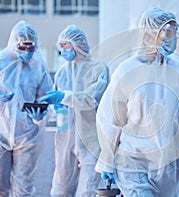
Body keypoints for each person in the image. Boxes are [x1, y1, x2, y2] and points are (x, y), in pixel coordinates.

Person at [94, 7, 179, 197]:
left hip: (168, 163)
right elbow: (109, 118)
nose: (173, 38)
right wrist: (107, 158)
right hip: (132, 158)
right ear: (150, 34)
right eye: (167, 32)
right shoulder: (127, 70)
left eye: (174, 32)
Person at [39, 25, 109, 196]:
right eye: (61, 46)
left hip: (91, 141)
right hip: (65, 140)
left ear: (79, 45)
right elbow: (59, 104)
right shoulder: (62, 72)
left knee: (87, 191)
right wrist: (45, 112)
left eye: (67, 45)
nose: (63, 50)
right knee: (59, 190)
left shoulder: (98, 69)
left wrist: (65, 96)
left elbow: (91, 99)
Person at [0, 20, 53, 196]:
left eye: (32, 48)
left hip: (27, 136)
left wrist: (40, 114)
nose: (28, 51)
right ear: (14, 43)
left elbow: (46, 96)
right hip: (0, 134)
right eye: (23, 47)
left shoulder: (38, 67)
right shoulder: (1, 62)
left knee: (23, 187)